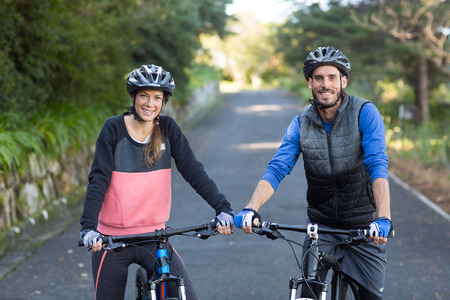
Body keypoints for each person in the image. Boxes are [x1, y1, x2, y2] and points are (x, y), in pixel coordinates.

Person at [234, 46, 393, 299]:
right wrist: (251, 207)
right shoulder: (301, 121)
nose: (325, 84)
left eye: (332, 77)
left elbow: (377, 165)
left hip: (365, 227)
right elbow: (278, 167)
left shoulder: (365, 112)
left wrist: (383, 218)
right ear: (310, 82)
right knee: (307, 293)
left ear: (343, 81)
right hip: (321, 227)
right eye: (318, 78)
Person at [79, 64, 234, 300]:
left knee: (186, 296)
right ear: (133, 97)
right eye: (144, 96)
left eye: (157, 98)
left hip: (155, 237)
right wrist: (88, 228)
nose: (150, 104)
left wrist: (223, 209)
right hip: (112, 241)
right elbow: (98, 178)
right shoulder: (114, 128)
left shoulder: (168, 128)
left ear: (163, 101)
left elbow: (193, 171)